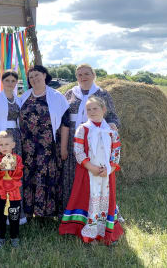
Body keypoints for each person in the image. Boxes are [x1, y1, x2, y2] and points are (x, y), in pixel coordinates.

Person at [59, 96, 123, 245]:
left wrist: (110, 168)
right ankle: (89, 232)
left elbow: (116, 151)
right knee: (88, 198)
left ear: (104, 110)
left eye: (95, 108)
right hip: (88, 172)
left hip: (107, 174)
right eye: (89, 109)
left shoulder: (111, 131)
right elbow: (78, 151)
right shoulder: (83, 129)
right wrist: (91, 167)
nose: (92, 112)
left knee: (105, 200)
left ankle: (104, 230)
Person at [60, 64, 120, 216]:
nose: (83, 77)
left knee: (93, 175)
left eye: (86, 73)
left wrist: (112, 124)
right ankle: (72, 210)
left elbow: (112, 116)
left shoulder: (103, 94)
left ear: (93, 75)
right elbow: (64, 119)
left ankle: (96, 211)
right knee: (72, 174)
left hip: (96, 141)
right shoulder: (69, 94)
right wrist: (63, 146)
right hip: (73, 137)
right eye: (79, 75)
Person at [19, 65, 70, 219]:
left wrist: (63, 149)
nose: (34, 79)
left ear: (44, 75)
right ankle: (28, 211)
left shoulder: (57, 96)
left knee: (46, 177)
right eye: (31, 77)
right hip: (27, 147)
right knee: (29, 176)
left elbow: (65, 123)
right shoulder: (24, 96)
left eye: (37, 75)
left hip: (48, 147)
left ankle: (46, 213)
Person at [0, 70, 26, 225]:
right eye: (7, 80)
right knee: (3, 175)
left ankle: (14, 213)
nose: (10, 83)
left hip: (15, 141)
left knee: (14, 175)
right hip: (1, 141)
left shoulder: (18, 100)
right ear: (2, 82)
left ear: (16, 83)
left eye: (13, 81)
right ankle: (0, 214)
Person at [0, 131, 23, 248]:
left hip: (14, 193)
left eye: (7, 144)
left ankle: (14, 237)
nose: (4, 147)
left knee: (14, 216)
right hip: (0, 193)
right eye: (1, 145)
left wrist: (11, 165)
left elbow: (18, 175)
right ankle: (0, 238)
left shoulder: (17, 158)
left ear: (13, 145)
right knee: (0, 216)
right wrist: (1, 167)